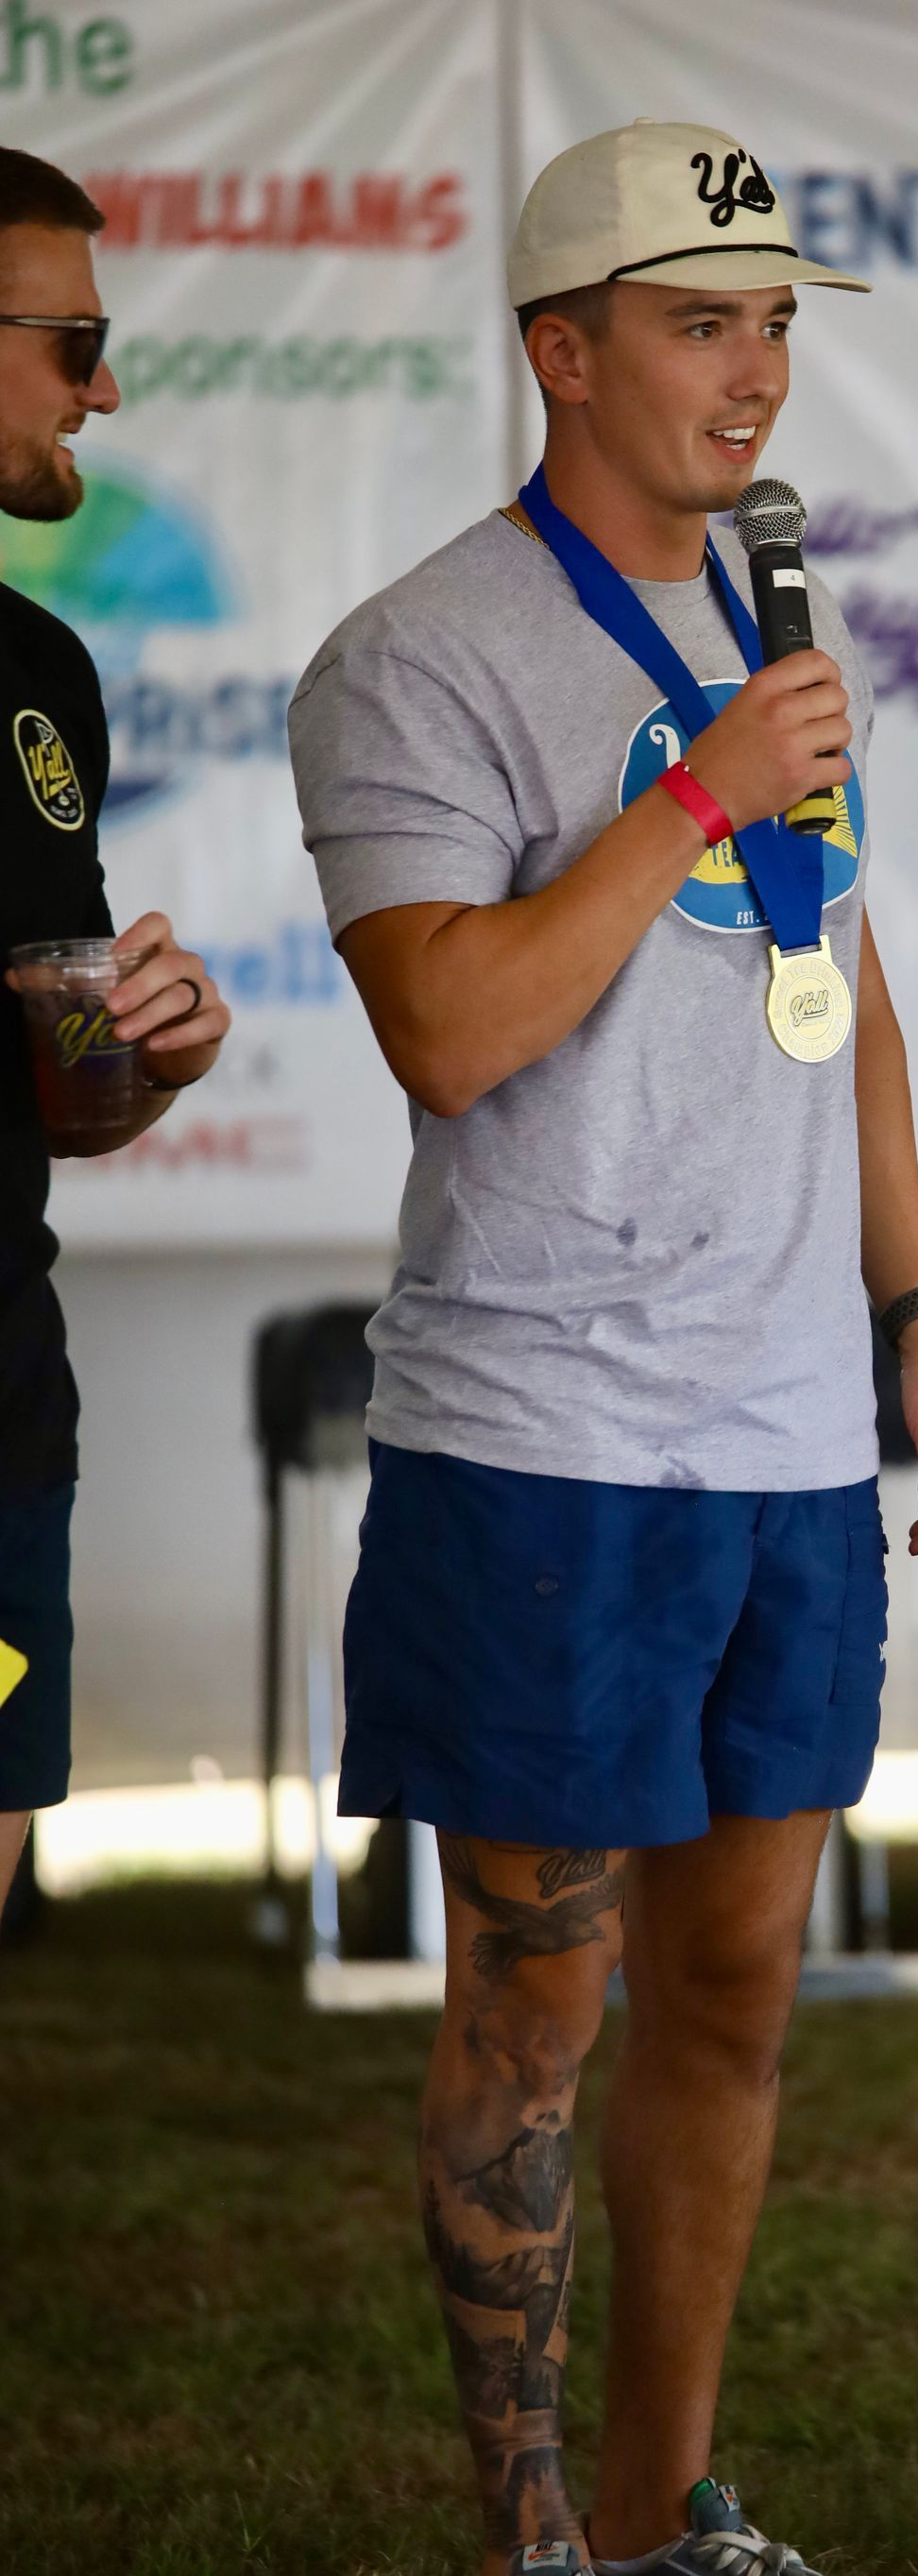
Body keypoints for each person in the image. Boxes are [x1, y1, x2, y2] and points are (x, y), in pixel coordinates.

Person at [289, 118, 918, 2576]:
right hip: (549, 1434)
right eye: (701, 319)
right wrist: (693, 790)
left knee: (734, 1997)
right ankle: (527, 2562)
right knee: (537, 2013)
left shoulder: (777, 626)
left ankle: (661, 2513)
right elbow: (460, 1026)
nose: (756, 368)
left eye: (777, 322)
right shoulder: (420, 654)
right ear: (561, 347)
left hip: (791, 1424)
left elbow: (849, 979)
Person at [0, 147, 230, 1936]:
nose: (109, 385)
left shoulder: (44, 670)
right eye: (75, 337)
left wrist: (146, 1049)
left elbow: (66, 1113)